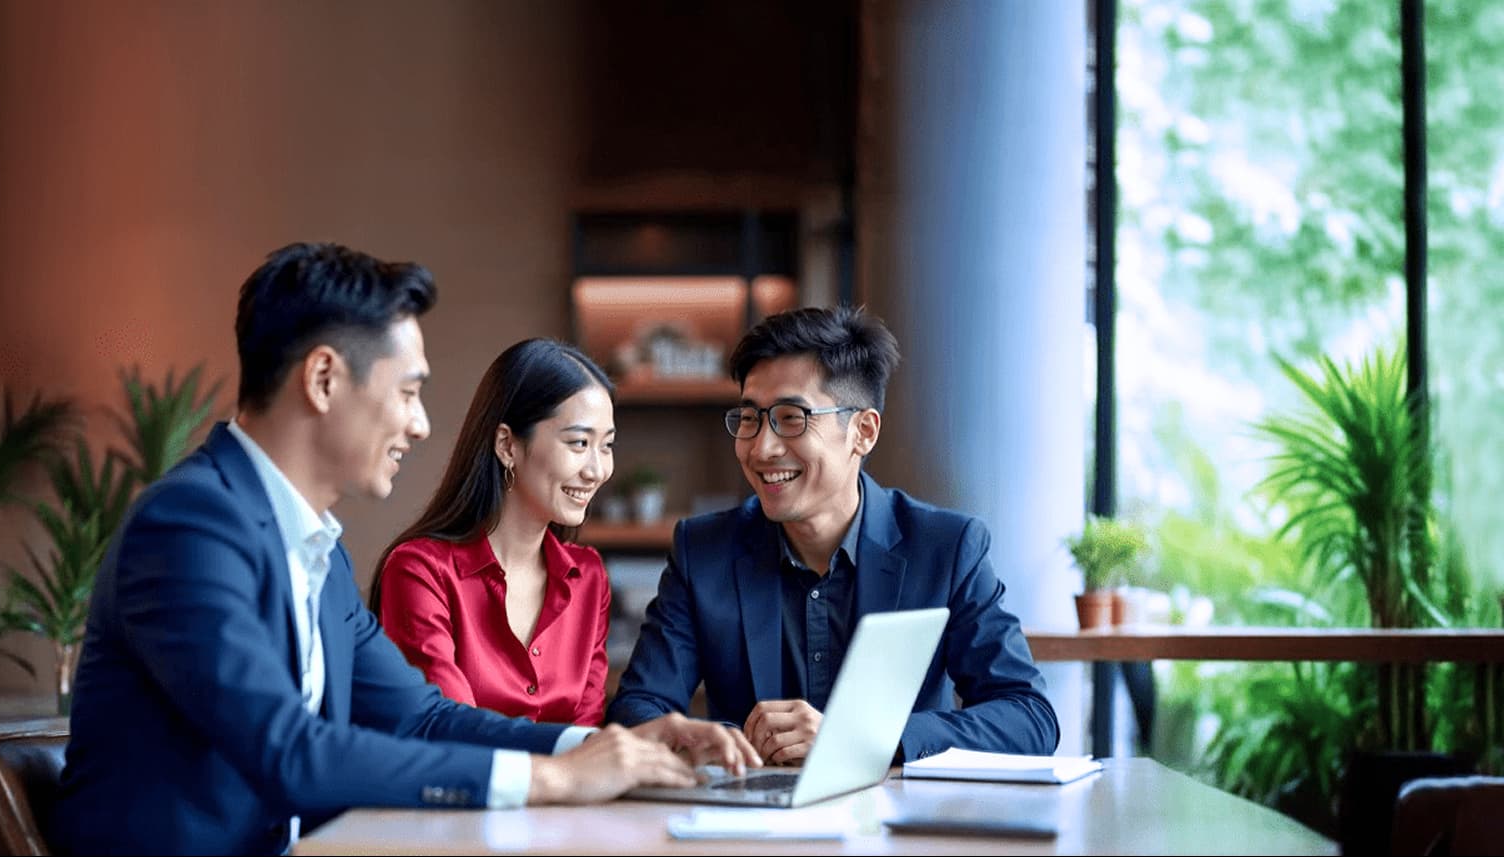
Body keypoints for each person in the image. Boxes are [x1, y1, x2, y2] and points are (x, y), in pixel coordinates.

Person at [51, 243, 756, 856]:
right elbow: (288, 750)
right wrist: (554, 778)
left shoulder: (311, 547)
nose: (420, 425)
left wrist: (602, 749)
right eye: (409, 391)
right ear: (324, 378)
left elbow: (421, 715)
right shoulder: (190, 523)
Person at [607, 305, 1058, 766]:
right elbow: (637, 710)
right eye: (749, 418)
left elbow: (1028, 718)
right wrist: (721, 740)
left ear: (862, 431)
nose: (762, 448)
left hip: (897, 826)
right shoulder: (704, 551)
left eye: (791, 417)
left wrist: (863, 739)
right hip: (750, 827)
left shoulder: (946, 548)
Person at [374, 338, 625, 727]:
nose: (596, 470)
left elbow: (586, 730)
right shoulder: (420, 571)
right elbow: (445, 727)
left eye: (606, 446)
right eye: (579, 443)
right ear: (508, 445)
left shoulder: (588, 577)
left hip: (573, 789)